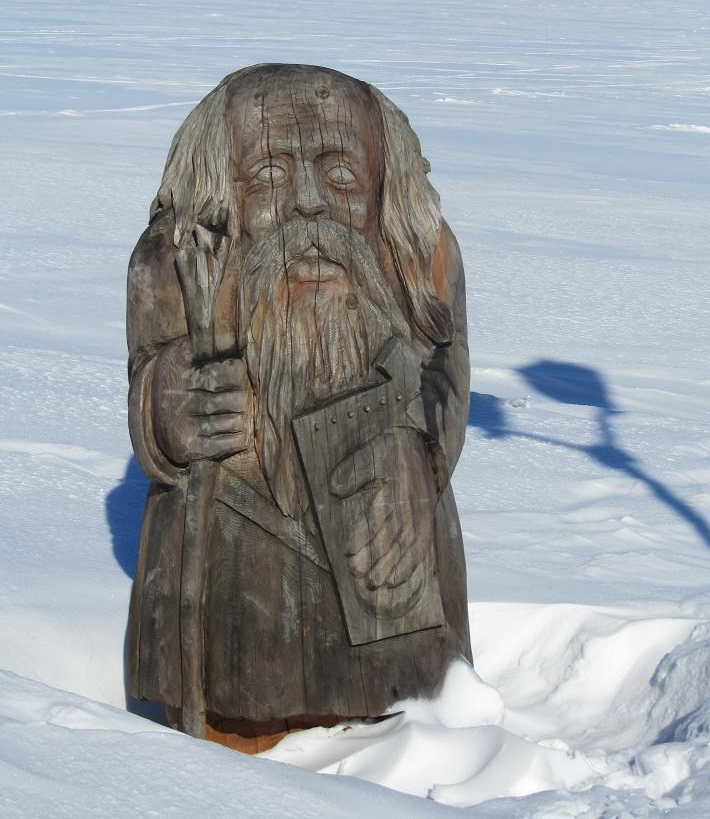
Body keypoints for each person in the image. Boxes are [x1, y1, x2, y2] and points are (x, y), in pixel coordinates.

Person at [126, 63, 471, 749]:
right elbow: (146, 378)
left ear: (382, 186)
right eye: (270, 177)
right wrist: (165, 405)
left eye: (342, 176)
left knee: (412, 737)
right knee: (230, 746)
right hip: (236, 604)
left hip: (393, 598)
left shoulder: (419, 251)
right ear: (221, 187)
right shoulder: (177, 260)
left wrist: (420, 445)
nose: (309, 202)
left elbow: (445, 371)